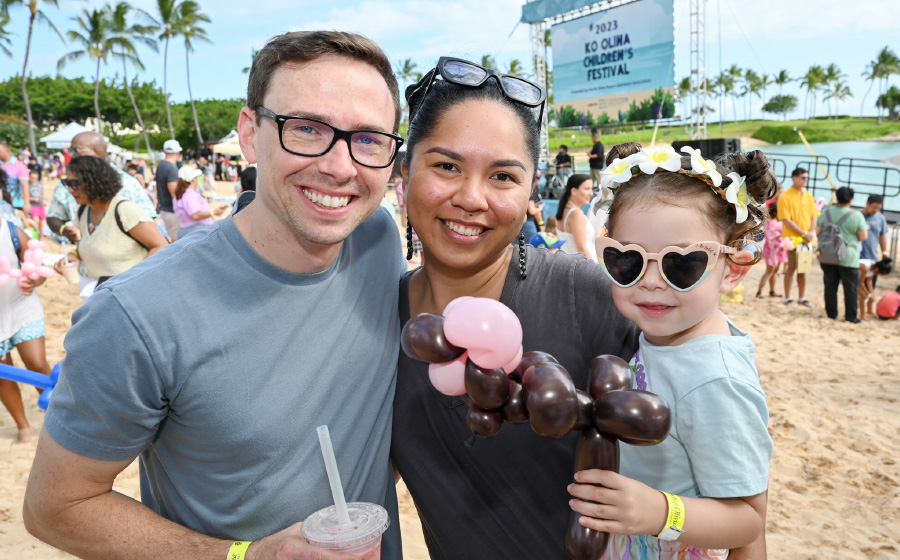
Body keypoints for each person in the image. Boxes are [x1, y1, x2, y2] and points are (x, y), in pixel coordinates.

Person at [24, 30, 406, 560]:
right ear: (250, 134)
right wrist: (248, 555)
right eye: (306, 128)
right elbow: (55, 507)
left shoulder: (377, 240)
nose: (341, 167)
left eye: (368, 139)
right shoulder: (136, 313)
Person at [391, 55, 642, 559]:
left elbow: (718, 454)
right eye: (446, 166)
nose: (471, 198)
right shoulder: (376, 319)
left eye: (503, 176)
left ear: (531, 191)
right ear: (404, 172)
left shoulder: (588, 295)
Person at [569, 142, 774, 558]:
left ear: (732, 271)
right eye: (627, 260)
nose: (650, 281)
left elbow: (748, 520)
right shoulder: (664, 338)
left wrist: (661, 512)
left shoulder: (715, 381)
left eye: (682, 264)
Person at [51, 156, 168, 287]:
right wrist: (75, 256)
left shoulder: (124, 210)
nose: (70, 190)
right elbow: (93, 244)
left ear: (94, 182)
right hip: (104, 290)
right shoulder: (83, 212)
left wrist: (131, 280)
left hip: (134, 291)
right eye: (67, 183)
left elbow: (161, 246)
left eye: (74, 184)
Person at [46, 132, 157, 245]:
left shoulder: (128, 185)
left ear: (97, 151)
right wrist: (64, 230)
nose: (71, 154)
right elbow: (53, 216)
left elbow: (153, 232)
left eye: (76, 150)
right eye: (70, 150)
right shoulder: (70, 190)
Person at [0, 201, 52, 444]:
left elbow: (38, 269)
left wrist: (33, 282)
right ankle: (23, 426)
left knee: (36, 362)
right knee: (3, 374)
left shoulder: (10, 230)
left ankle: (58, 413)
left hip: (22, 307)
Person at [816, 186, 867, 323]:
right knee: (850, 289)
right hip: (848, 257)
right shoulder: (856, 215)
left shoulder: (826, 212)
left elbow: (818, 231)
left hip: (827, 255)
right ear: (851, 199)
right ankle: (851, 317)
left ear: (837, 197)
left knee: (830, 287)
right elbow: (863, 236)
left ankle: (831, 314)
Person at [777, 167, 818, 307]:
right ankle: (788, 298)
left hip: (806, 239)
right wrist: (804, 233)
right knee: (791, 268)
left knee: (803, 269)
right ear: (794, 178)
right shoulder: (785, 196)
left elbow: (814, 216)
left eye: (807, 178)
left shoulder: (809, 195)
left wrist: (810, 233)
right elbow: (785, 219)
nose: (806, 180)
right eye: (803, 177)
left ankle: (802, 297)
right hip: (792, 240)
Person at [173, 165, 227, 238]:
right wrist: (214, 212)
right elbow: (195, 215)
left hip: (188, 229)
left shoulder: (179, 195)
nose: (198, 181)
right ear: (194, 180)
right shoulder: (190, 194)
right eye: (197, 178)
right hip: (196, 230)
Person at [556, 173, 597, 260]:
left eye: (592, 189)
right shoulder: (576, 214)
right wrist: (595, 267)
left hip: (569, 262)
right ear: (574, 191)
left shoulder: (564, 210)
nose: (591, 193)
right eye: (587, 189)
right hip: (583, 264)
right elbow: (581, 249)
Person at [755, 199, 788, 299]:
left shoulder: (778, 223)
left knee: (775, 271)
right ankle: (759, 291)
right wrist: (781, 235)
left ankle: (772, 291)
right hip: (771, 250)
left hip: (778, 250)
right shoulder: (770, 223)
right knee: (770, 270)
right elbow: (770, 237)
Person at [860, 194, 889, 291]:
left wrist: (884, 253)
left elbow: (883, 237)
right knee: (856, 289)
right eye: (874, 207)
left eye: (878, 208)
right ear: (867, 204)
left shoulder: (881, 218)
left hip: (873, 260)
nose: (876, 210)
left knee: (870, 288)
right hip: (857, 259)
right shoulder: (857, 215)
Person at [155, 139, 183, 241]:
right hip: (171, 211)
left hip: (164, 207)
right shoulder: (171, 168)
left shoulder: (161, 165)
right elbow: (174, 193)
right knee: (177, 242)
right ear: (178, 153)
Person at [1, 141, 31, 217]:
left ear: (7, 151)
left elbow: (25, 186)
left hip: (16, 204)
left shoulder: (19, 166)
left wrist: (26, 203)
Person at [27, 169, 45, 235]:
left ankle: (41, 236)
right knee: (35, 221)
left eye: (35, 178)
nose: (33, 180)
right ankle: (35, 235)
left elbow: (42, 194)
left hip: (40, 205)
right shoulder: (28, 186)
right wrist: (33, 199)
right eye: (32, 178)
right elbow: (25, 197)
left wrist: (43, 199)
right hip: (33, 206)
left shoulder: (40, 185)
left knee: (41, 223)